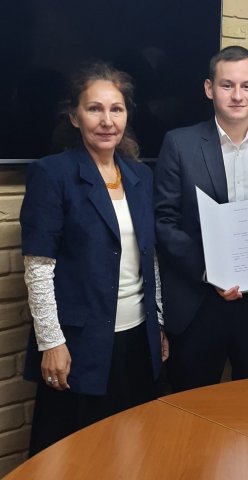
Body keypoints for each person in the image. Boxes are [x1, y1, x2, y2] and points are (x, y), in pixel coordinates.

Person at [20, 62, 169, 455]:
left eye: (116, 109)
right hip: (79, 345)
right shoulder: (52, 174)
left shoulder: (140, 176)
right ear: (74, 116)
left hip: (137, 339)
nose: (107, 121)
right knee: (78, 456)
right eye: (94, 109)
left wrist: (157, 323)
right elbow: (39, 268)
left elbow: (148, 257)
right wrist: (51, 342)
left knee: (133, 450)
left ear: (127, 116)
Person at [154, 46, 248, 392]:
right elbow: (164, 221)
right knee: (192, 402)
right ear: (209, 88)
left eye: (247, 86)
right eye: (227, 85)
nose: (237, 95)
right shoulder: (179, 144)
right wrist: (209, 273)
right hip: (199, 299)